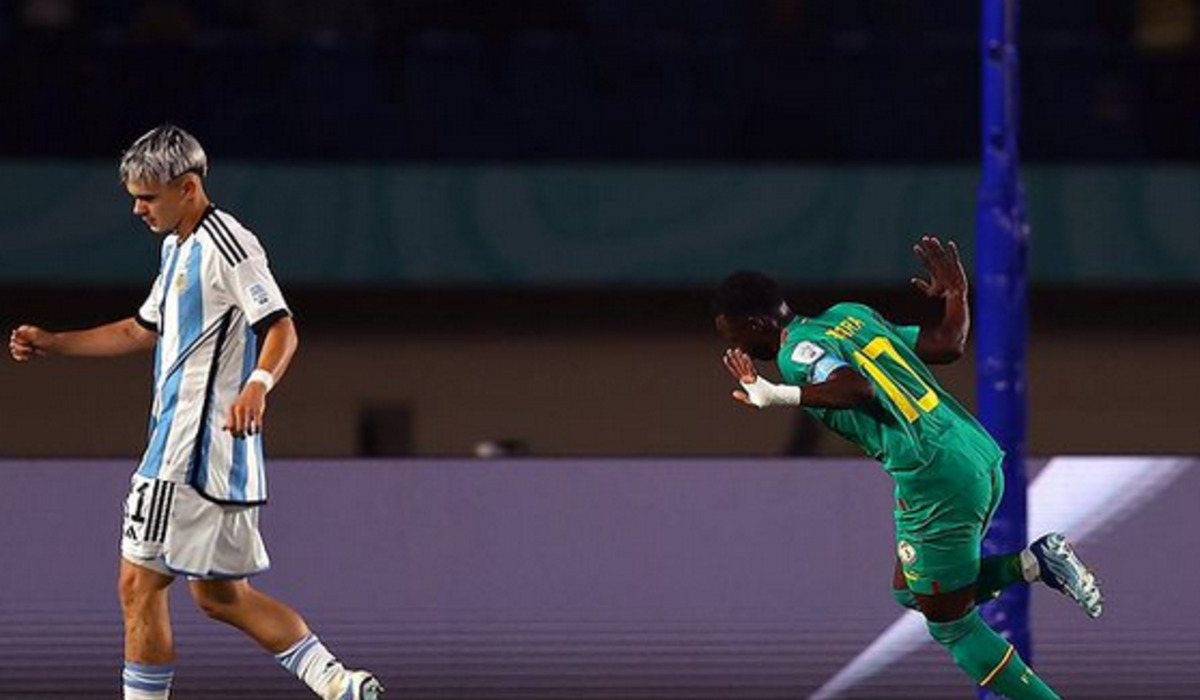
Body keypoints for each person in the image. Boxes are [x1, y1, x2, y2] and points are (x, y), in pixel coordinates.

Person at [8, 125, 383, 700]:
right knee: (219, 596)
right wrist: (55, 341)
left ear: (187, 187)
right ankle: (339, 683)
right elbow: (140, 329)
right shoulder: (177, 247)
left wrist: (258, 384)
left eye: (147, 197)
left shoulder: (228, 244)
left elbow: (281, 327)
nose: (136, 208)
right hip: (215, 457)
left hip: (186, 452)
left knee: (138, 586)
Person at [713, 236, 1102, 699]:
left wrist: (776, 394)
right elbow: (947, 343)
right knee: (910, 591)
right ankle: (1034, 563)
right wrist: (957, 295)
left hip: (935, 477)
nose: (732, 345)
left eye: (732, 335)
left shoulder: (794, 353)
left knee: (953, 628)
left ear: (756, 323)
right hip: (973, 450)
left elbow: (857, 389)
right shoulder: (848, 315)